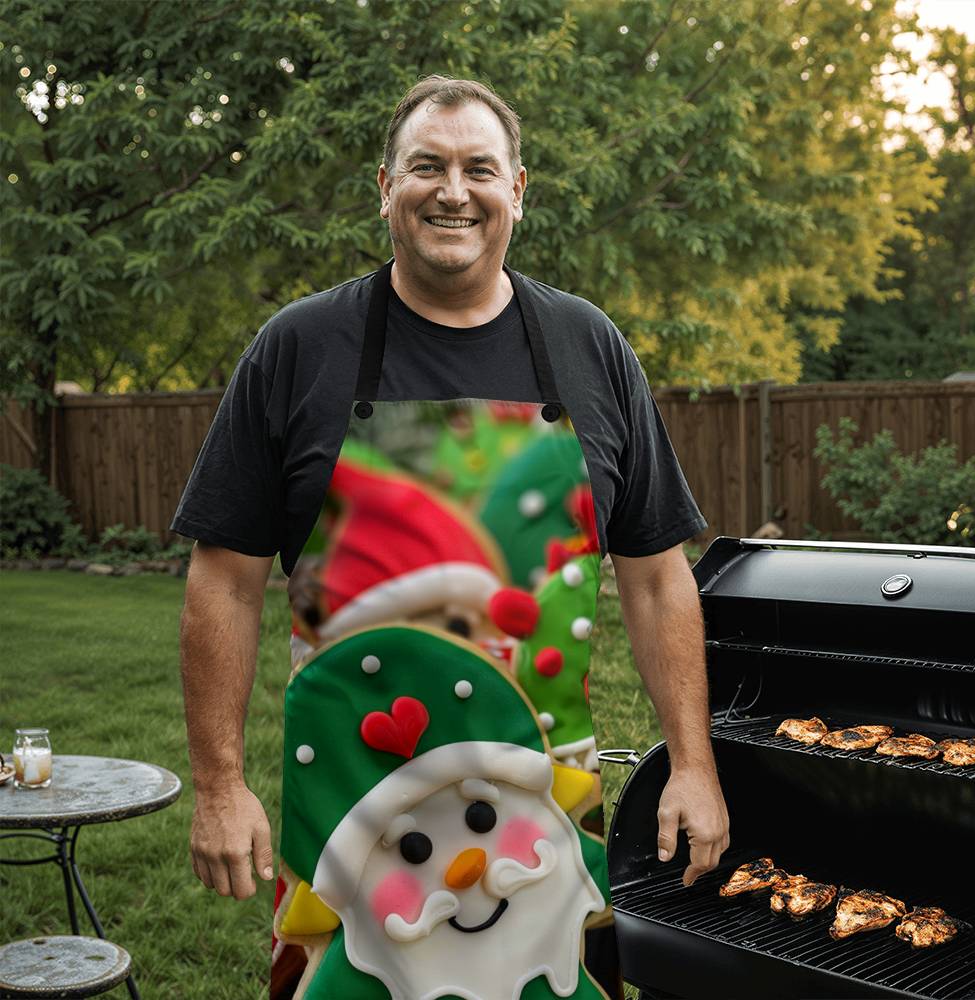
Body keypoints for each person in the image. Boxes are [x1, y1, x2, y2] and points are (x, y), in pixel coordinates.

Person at [172, 75, 729, 1000]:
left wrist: (696, 767)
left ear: (518, 190)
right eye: (426, 166)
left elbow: (657, 580)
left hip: (544, 820)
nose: (452, 190)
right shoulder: (299, 346)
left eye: (479, 168)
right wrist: (220, 785)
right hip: (349, 817)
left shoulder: (589, 345)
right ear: (383, 186)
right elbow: (222, 582)